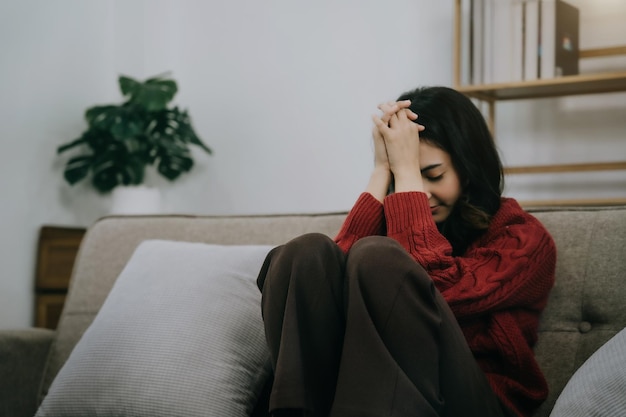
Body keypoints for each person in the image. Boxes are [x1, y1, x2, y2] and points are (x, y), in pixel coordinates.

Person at [255, 86, 556, 417]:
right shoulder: (394, 222)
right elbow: (329, 291)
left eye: (433, 174)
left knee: (378, 257)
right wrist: (382, 170)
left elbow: (439, 290)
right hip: (378, 390)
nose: (421, 192)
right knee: (304, 253)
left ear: (468, 168)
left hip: (479, 401)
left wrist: (409, 172)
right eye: (410, 176)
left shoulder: (523, 238)